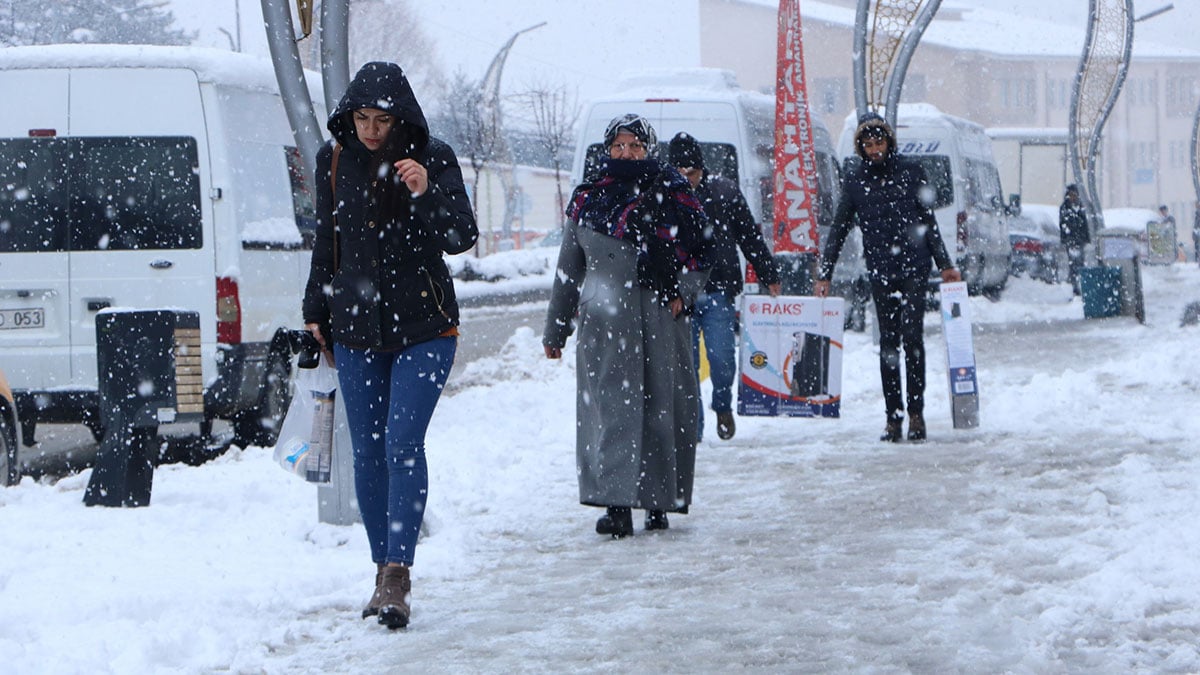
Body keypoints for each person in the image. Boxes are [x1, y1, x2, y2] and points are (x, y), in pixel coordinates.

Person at [302, 62, 477, 629]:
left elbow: (460, 238)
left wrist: (425, 192)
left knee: (402, 441)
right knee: (369, 452)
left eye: (381, 120)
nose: (371, 130)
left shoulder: (433, 157)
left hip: (426, 327)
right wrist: (314, 311)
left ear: (400, 116)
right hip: (355, 328)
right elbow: (326, 242)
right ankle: (382, 571)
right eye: (362, 118)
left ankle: (399, 574)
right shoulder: (335, 162)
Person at [543, 114, 710, 538]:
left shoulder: (675, 196)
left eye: (635, 146)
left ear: (649, 149)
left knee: (662, 408)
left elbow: (702, 252)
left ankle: (659, 500)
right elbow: (568, 269)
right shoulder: (587, 201)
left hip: (660, 318)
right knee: (610, 410)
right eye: (619, 146)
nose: (626, 154)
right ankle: (615, 503)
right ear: (607, 150)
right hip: (605, 323)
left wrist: (682, 294)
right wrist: (556, 329)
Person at [813, 112, 960, 443]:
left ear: (889, 142)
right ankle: (893, 418)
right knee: (888, 345)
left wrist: (945, 263)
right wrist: (825, 273)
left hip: (914, 267)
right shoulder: (854, 181)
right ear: (860, 148)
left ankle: (916, 414)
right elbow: (838, 229)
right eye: (868, 144)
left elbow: (929, 223)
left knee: (913, 339)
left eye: (879, 142)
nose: (874, 149)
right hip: (881, 269)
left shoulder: (911, 172)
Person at [667, 132, 781, 442]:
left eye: (692, 172)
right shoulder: (662, 197)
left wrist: (768, 273)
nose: (687, 179)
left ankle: (722, 404)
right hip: (679, 296)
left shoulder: (724, 192)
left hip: (718, 289)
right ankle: (695, 428)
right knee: (687, 367)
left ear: (702, 169)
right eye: (680, 173)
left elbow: (749, 237)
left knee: (721, 359)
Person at [1059, 184, 1090, 295]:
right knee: (1073, 264)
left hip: (1080, 240)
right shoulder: (1065, 208)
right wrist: (1065, 239)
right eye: (1071, 195)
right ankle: (1075, 286)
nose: (1073, 197)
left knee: (1080, 263)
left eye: (1074, 194)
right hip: (1071, 241)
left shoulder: (1081, 207)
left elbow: (1085, 224)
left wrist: (1085, 238)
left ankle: (1081, 285)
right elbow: (1063, 224)